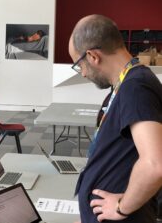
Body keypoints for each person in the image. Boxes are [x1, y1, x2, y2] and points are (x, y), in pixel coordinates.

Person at [68, 15, 162, 223]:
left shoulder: (136, 88)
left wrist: (120, 207)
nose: (82, 73)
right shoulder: (127, 84)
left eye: (78, 64)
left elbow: (155, 165)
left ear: (92, 56)